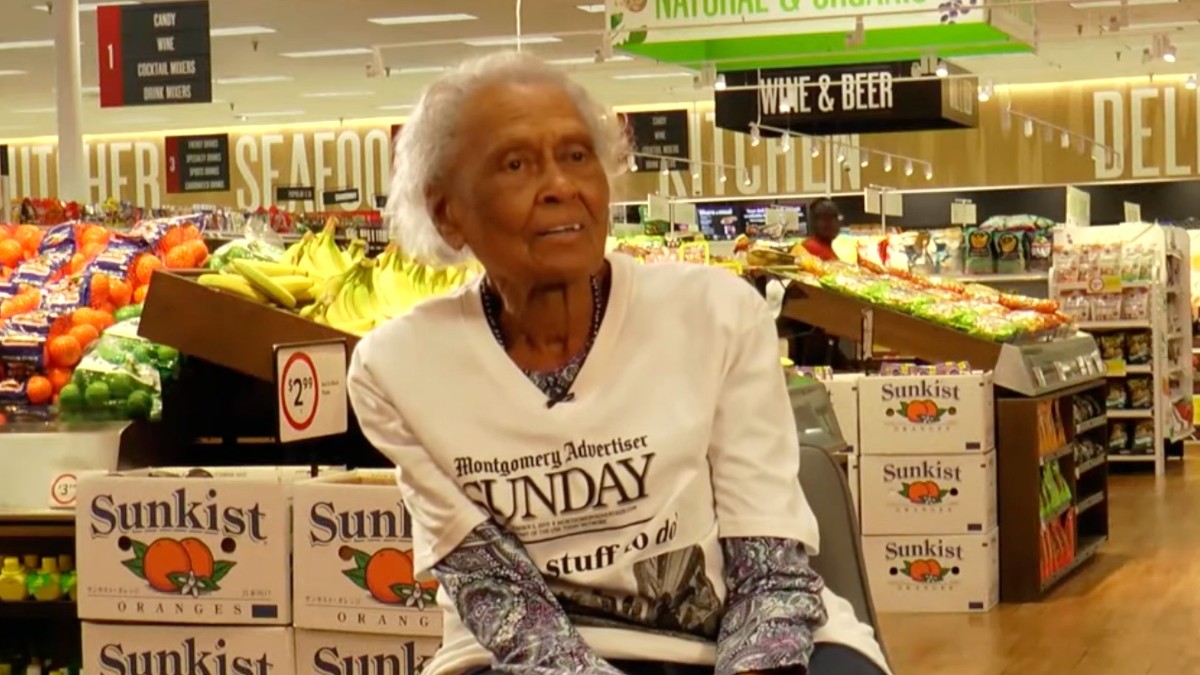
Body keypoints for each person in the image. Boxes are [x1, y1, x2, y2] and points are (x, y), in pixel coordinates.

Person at [347, 52, 890, 675]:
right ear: (449, 213)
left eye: (578, 156)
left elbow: (768, 570)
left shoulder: (715, 314)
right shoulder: (397, 371)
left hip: (742, 638)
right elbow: (503, 603)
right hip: (530, 658)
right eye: (516, 164)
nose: (560, 186)